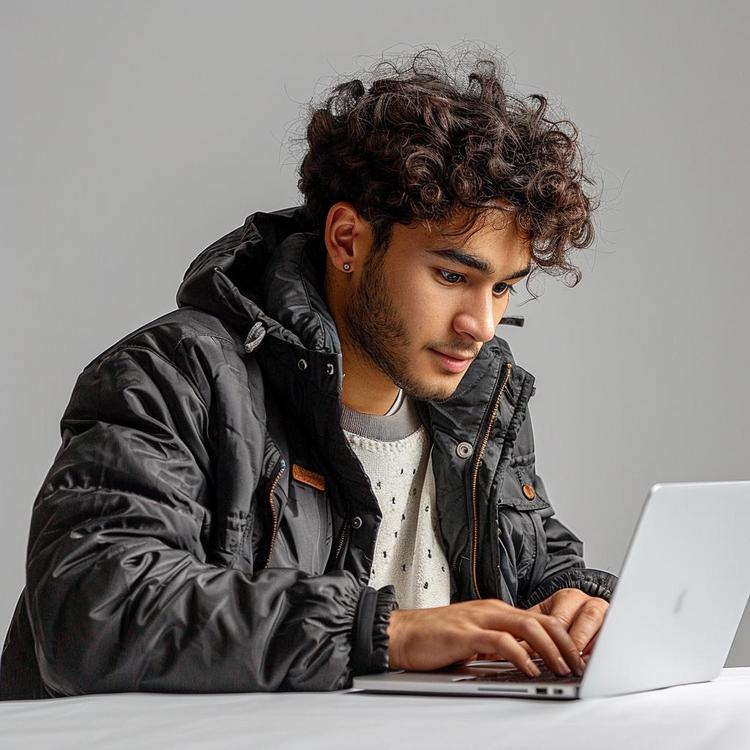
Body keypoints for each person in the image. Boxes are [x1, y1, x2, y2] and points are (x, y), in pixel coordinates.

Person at [0, 47, 617, 700]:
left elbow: (538, 559)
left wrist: (571, 599)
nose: (481, 325)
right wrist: (387, 633)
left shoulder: (482, 395)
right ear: (348, 240)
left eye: (502, 289)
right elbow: (92, 610)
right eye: (451, 276)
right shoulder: (173, 375)